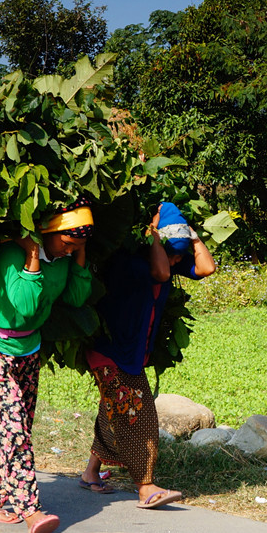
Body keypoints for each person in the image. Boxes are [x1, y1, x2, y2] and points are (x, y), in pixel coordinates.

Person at [0, 199, 93, 533]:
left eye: (78, 246)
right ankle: (31, 510)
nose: (69, 252)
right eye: (67, 243)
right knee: (10, 427)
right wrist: (33, 257)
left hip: (28, 349)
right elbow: (24, 308)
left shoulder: (66, 259)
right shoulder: (13, 254)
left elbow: (77, 297)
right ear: (48, 233)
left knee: (8, 426)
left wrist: (78, 255)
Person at [78, 202, 216, 509]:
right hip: (109, 351)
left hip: (132, 354)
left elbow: (206, 267)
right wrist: (155, 236)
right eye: (173, 252)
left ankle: (90, 473)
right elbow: (161, 271)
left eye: (180, 254)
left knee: (114, 409)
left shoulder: (168, 258)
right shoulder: (132, 261)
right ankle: (146, 486)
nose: (178, 260)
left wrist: (191, 237)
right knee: (138, 417)